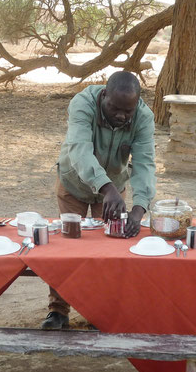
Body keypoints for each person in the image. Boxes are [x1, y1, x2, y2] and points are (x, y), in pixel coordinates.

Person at [41, 71, 157, 330]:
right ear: (104, 95)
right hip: (74, 184)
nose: (121, 116)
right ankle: (58, 311)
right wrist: (107, 190)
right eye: (115, 108)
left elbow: (145, 164)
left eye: (127, 112)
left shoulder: (143, 117)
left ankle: (101, 312)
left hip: (114, 189)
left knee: (111, 251)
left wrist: (139, 210)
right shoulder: (82, 103)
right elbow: (79, 149)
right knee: (68, 249)